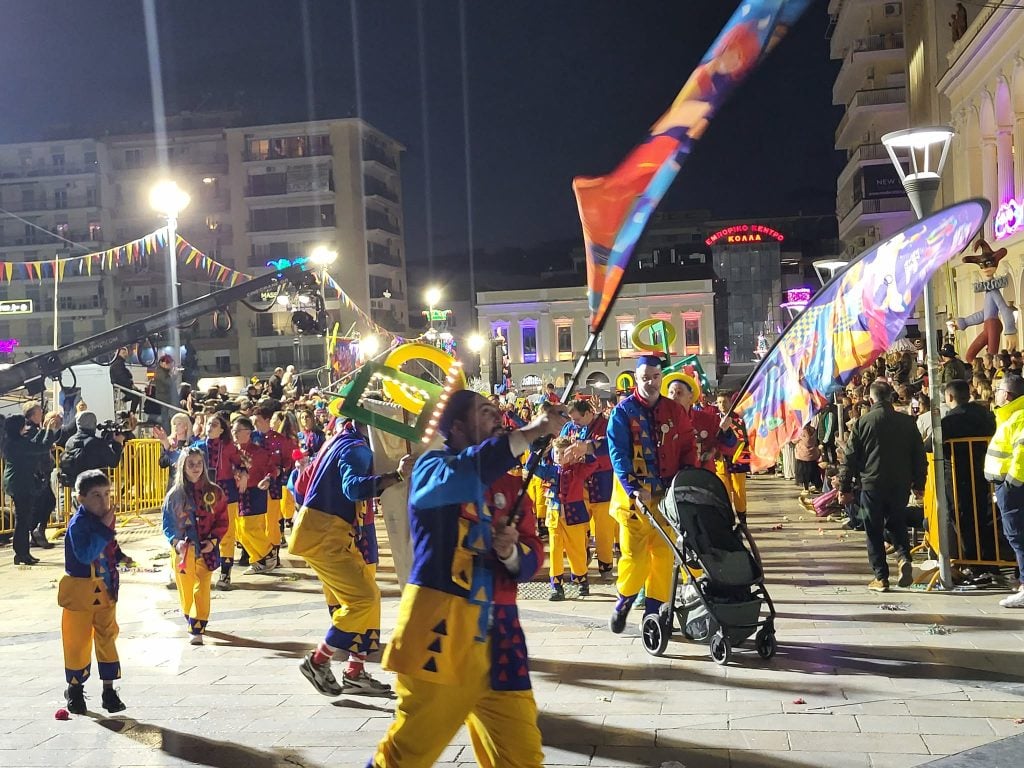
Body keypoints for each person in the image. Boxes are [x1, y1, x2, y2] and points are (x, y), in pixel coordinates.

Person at [369, 390, 565, 767]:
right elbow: (469, 472)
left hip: (503, 643)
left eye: (497, 411)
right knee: (406, 757)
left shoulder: (510, 486)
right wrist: (530, 431)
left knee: (523, 759)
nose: (496, 416)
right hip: (440, 636)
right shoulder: (432, 469)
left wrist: (510, 552)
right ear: (456, 427)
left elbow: (531, 556)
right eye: (484, 412)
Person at [293, 419, 410, 697]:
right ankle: (318, 661)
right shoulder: (357, 449)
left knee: (369, 597)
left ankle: (355, 671)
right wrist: (397, 475)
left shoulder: (337, 440)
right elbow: (354, 489)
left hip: (331, 532)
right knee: (363, 600)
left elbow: (302, 487)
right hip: (325, 535)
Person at [607, 355, 697, 632]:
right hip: (635, 500)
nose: (650, 382)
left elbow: (687, 447)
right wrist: (633, 488)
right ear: (636, 379)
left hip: (666, 499)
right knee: (635, 556)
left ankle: (656, 613)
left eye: (655, 377)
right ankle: (625, 599)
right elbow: (618, 454)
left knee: (665, 555)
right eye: (645, 377)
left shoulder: (675, 410)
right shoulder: (622, 412)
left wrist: (687, 480)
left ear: (661, 377)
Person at [839, 381, 926, 592]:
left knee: (873, 529)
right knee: (897, 521)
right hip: (900, 483)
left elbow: (850, 458)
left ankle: (881, 576)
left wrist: (844, 487)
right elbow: (919, 455)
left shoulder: (863, 423)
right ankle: (904, 557)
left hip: (872, 484)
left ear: (871, 399)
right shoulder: (907, 422)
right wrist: (919, 483)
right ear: (890, 398)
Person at [60, 470, 128, 715]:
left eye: (107, 494)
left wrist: (122, 557)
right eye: (96, 495)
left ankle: (109, 690)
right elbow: (86, 554)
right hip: (80, 593)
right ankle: (75, 692)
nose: (103, 500)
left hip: (106, 590)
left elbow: (110, 547)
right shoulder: (78, 524)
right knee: (77, 642)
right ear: (80, 498)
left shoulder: (105, 520)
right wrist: (105, 529)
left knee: (107, 637)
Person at [162, 448, 229, 645]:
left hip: (205, 548)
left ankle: (197, 624)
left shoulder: (214, 491)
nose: (195, 468)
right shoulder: (175, 495)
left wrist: (214, 540)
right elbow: (167, 523)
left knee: (202, 587)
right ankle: (189, 613)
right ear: (183, 466)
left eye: (199, 463)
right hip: (184, 551)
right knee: (186, 587)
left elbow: (223, 519)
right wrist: (176, 541)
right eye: (191, 464)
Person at [941, 379, 997, 565]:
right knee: (985, 516)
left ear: (949, 396)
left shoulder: (949, 421)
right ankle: (990, 559)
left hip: (958, 477)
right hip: (985, 471)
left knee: (962, 518)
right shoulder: (986, 416)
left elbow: (930, 445)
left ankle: (972, 561)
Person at [560, 399, 615, 578]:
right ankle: (582, 560)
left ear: (588, 414)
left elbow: (607, 451)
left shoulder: (606, 425)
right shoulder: (572, 428)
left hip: (602, 482)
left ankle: (605, 566)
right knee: (579, 525)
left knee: (603, 529)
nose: (574, 423)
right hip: (580, 484)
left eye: (577, 419)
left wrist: (586, 456)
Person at [983, 374, 1024, 608]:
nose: (995, 392)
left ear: (1007, 395)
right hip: (1009, 485)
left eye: (998, 389)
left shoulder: (1018, 416)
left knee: (1017, 536)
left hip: (1013, 486)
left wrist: (1012, 482)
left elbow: (1022, 453)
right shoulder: (1010, 416)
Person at [539, 435, 596, 600]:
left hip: (574, 515)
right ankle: (556, 586)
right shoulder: (549, 470)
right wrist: (543, 451)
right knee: (555, 550)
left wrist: (583, 451)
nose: (560, 456)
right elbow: (532, 467)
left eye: (564, 452)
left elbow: (594, 464)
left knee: (576, 549)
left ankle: (581, 580)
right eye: (557, 452)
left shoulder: (578, 469)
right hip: (554, 516)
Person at [3, 411, 63, 564]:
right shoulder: (17, 443)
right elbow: (41, 447)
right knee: (23, 519)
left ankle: (23, 552)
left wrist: (43, 429)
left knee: (23, 518)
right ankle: (21, 553)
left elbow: (35, 443)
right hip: (21, 483)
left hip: (17, 482)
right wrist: (49, 431)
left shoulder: (13, 441)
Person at [194, 414, 242, 590]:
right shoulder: (198, 446)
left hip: (227, 493)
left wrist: (242, 474)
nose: (210, 427)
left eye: (214, 425)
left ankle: (226, 572)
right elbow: (182, 458)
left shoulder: (229, 447)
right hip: (205, 494)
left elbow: (240, 463)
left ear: (222, 430)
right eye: (208, 424)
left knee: (227, 534)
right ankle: (204, 567)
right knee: (205, 529)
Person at [230, 417, 276, 574]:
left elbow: (271, 469)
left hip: (254, 491)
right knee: (239, 531)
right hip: (237, 494)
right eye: (233, 430)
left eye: (238, 431)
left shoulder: (258, 452)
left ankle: (269, 553)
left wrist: (268, 479)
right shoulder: (231, 450)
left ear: (248, 432)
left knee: (250, 527)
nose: (234, 434)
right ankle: (258, 560)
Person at [59, 411, 126, 490]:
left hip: (73, 483)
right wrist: (117, 443)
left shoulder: (70, 441)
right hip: (92, 486)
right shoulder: (96, 443)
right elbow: (113, 462)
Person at [715, 392, 751, 524]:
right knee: (723, 489)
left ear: (731, 403)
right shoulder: (714, 420)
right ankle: (727, 518)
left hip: (737, 459)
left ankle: (742, 518)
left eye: (724, 402)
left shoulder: (740, 420)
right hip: (720, 460)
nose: (722, 405)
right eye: (719, 402)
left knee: (738, 490)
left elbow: (745, 438)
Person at [109, 347, 140, 413]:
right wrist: (131, 384)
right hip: (121, 385)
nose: (125, 355)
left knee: (137, 393)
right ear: (118, 353)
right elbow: (122, 377)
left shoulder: (117, 363)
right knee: (136, 396)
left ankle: (125, 402)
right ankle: (132, 413)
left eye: (125, 353)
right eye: (123, 353)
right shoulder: (118, 364)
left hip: (120, 384)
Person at [151, 354, 175, 429]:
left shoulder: (162, 372)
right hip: (163, 397)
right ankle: (166, 432)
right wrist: (174, 376)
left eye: (170, 363)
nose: (169, 365)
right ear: (162, 363)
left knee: (166, 416)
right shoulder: (160, 372)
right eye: (167, 363)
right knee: (165, 417)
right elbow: (168, 382)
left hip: (165, 397)